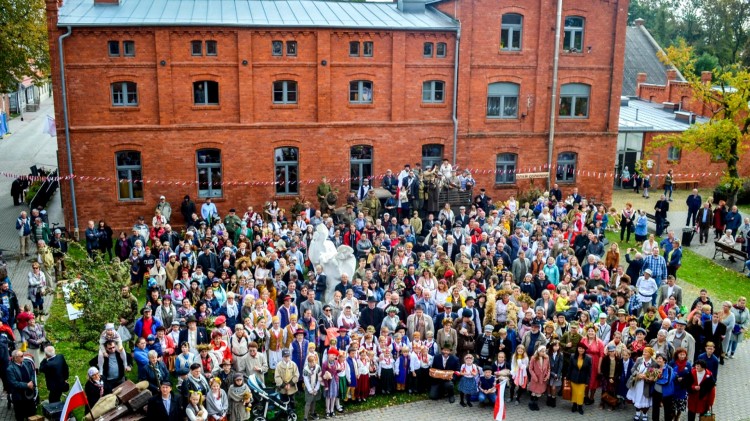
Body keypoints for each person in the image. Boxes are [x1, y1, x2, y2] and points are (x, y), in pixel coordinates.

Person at [7, 350, 37, 421]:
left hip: (29, 394)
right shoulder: (10, 369)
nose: (24, 357)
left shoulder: (27, 363)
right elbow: (14, 383)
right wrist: (27, 385)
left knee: (31, 413)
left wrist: (32, 382)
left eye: (23, 355)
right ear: (15, 358)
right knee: (20, 415)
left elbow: (32, 373)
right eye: (21, 356)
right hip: (19, 397)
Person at [567, 342, 591, 415]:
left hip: (582, 379)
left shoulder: (588, 358)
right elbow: (570, 368)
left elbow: (589, 371)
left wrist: (587, 381)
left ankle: (580, 406)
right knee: (574, 393)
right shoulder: (572, 356)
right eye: (579, 348)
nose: (581, 350)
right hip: (573, 378)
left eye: (582, 349)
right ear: (577, 349)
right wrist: (568, 378)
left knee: (580, 394)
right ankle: (574, 405)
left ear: (584, 350)